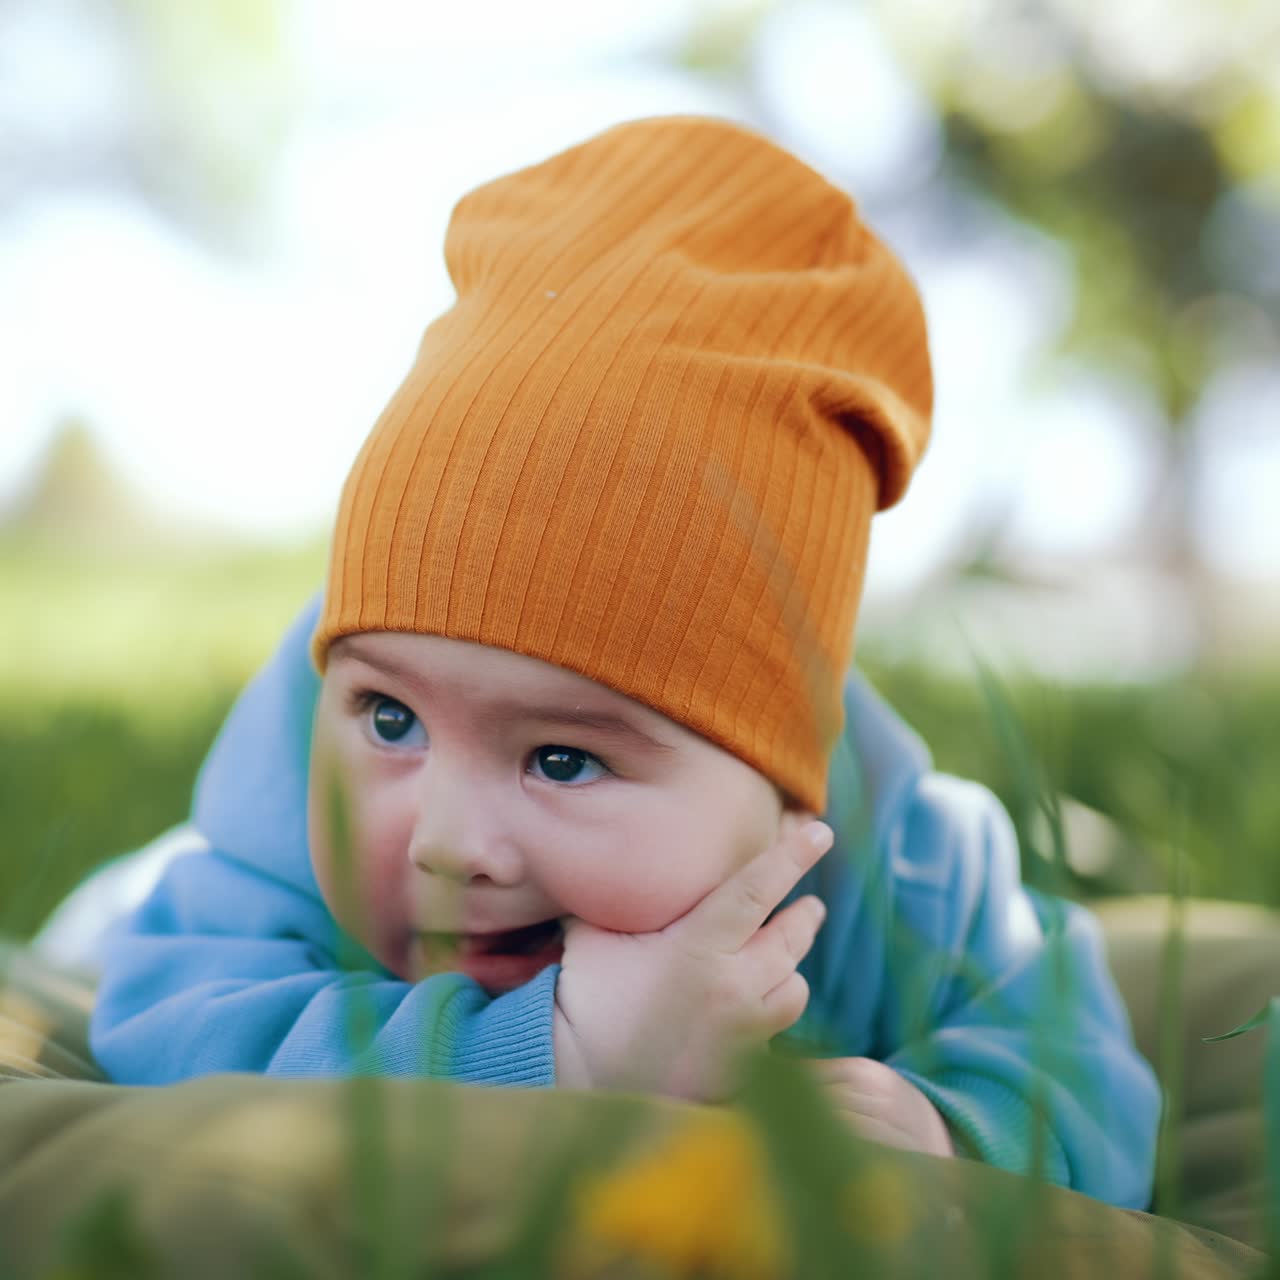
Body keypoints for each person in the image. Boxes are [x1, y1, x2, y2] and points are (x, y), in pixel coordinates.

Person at [87, 115, 1159, 1207]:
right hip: (164, 888)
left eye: (560, 759)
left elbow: (1077, 1072)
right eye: (390, 718)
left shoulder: (907, 865)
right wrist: (563, 1052)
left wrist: (947, 1124)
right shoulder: (283, 820)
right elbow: (167, 1020)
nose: (450, 843)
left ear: (777, 777)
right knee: (113, 913)